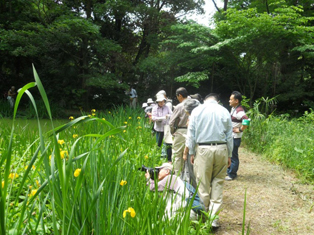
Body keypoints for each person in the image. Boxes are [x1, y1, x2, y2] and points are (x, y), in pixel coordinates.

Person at [185, 93, 233, 228]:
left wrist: (192, 152)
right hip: (222, 148)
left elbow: (191, 133)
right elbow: (230, 135)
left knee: (203, 184)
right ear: (217, 101)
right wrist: (229, 154)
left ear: (205, 100)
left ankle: (203, 216)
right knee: (218, 184)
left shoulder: (197, 110)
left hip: (203, 148)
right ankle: (214, 219)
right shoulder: (224, 111)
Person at [226, 91, 249, 181]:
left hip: (235, 137)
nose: (229, 101)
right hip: (232, 136)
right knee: (230, 155)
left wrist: (240, 129)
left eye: (231, 99)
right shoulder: (234, 109)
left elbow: (246, 120)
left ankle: (232, 174)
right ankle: (229, 171)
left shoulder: (239, 111)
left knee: (233, 156)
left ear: (236, 101)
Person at [169, 87, 190, 176]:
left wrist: (172, 132)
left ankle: (177, 176)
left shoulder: (179, 106)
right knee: (190, 154)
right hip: (194, 131)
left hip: (181, 131)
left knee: (177, 154)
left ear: (179, 95)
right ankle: (188, 175)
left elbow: (171, 122)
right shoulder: (195, 104)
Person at [182, 99, 200, 189]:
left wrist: (185, 152)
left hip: (195, 149)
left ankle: (194, 194)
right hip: (206, 148)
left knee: (192, 172)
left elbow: (190, 138)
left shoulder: (193, 118)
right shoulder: (203, 116)